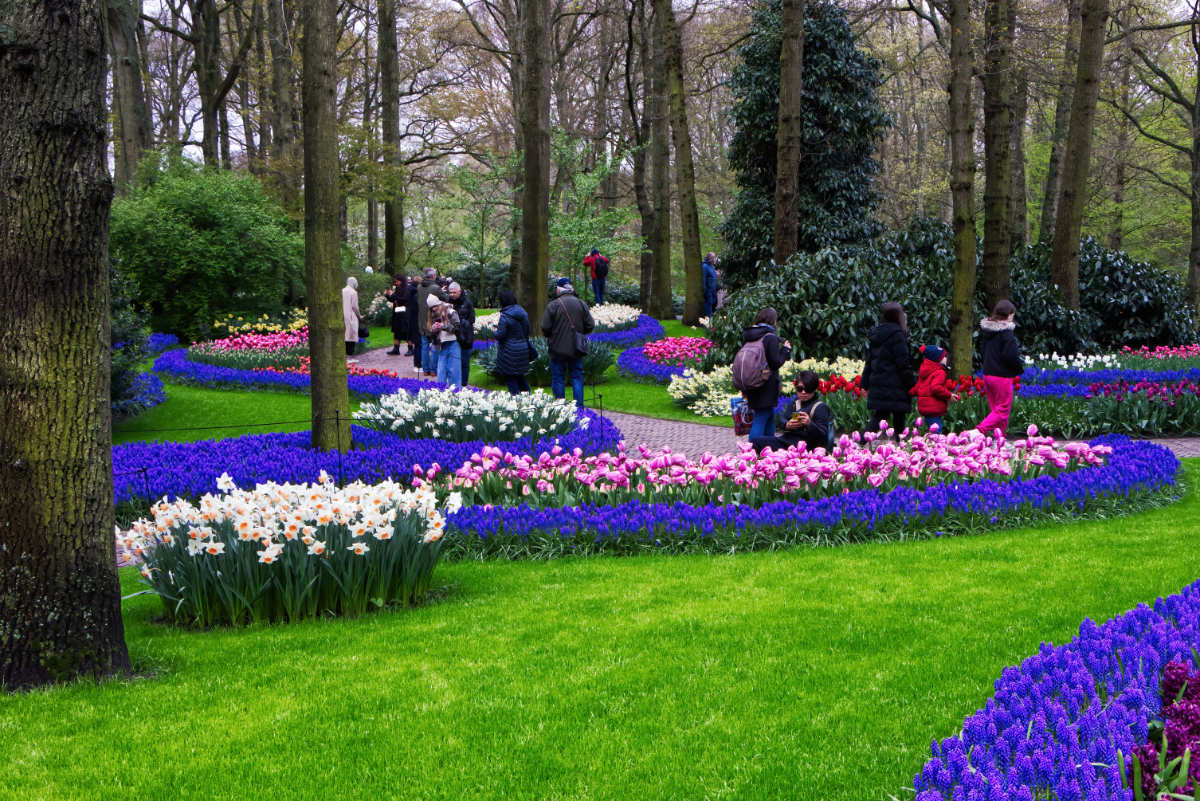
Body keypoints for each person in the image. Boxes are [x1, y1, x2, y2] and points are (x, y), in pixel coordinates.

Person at [861, 301, 916, 436]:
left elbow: (869, 362)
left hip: (879, 384)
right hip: (896, 385)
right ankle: (900, 445)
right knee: (898, 417)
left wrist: (864, 383)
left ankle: (862, 440)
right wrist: (912, 384)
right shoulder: (898, 335)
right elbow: (903, 363)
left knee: (880, 415)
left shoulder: (877, 335)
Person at [739, 307, 792, 441]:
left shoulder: (750, 335)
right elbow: (775, 362)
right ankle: (752, 449)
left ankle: (770, 445)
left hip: (751, 381)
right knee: (762, 416)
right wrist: (785, 350)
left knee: (768, 414)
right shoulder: (770, 338)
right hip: (766, 383)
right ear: (773, 321)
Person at [541, 278, 595, 407]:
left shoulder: (553, 305)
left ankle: (560, 408)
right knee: (577, 377)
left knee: (558, 378)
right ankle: (579, 407)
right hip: (576, 348)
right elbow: (590, 324)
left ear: (559, 289)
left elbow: (545, 327)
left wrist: (551, 336)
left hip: (557, 348)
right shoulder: (581, 304)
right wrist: (581, 333)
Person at [750, 371, 833, 454]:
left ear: (815, 389)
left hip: (805, 445)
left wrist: (809, 424)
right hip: (787, 440)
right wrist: (787, 425)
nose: (803, 392)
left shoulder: (820, 407)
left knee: (758, 443)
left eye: (808, 389)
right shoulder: (795, 402)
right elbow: (782, 419)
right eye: (800, 389)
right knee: (756, 441)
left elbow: (823, 436)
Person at [976, 299, 1023, 438]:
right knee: (1002, 410)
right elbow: (1011, 354)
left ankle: (1000, 439)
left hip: (988, 373)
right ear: (1008, 315)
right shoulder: (1006, 332)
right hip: (1001, 375)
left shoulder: (988, 331)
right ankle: (978, 432)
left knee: (996, 410)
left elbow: (982, 350)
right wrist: (1018, 368)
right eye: (1012, 315)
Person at [495, 289, 534, 394]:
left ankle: (516, 401)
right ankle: (529, 397)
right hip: (522, 348)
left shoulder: (505, 316)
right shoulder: (522, 312)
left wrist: (494, 331)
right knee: (520, 375)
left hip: (509, 351)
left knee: (510, 377)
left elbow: (500, 335)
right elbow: (527, 330)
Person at [913, 344, 958, 433]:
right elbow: (936, 388)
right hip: (933, 408)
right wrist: (948, 395)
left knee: (931, 428)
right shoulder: (939, 372)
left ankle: (930, 444)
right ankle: (935, 445)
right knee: (936, 430)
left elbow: (919, 387)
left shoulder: (925, 370)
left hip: (926, 406)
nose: (946, 358)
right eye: (944, 356)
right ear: (938, 359)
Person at [416, 268, 447, 378]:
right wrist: (442, 292)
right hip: (433, 319)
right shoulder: (435, 288)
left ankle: (426, 370)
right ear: (433, 276)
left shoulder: (419, 287)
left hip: (421, 320)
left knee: (424, 346)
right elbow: (446, 298)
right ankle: (433, 370)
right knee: (435, 345)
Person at [428, 295, 462, 388]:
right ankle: (441, 393)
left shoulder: (450, 311)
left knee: (454, 371)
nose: (434, 309)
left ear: (439, 304)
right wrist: (433, 330)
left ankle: (456, 393)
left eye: (435, 306)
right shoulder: (432, 314)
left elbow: (457, 328)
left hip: (453, 343)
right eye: (431, 308)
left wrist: (444, 326)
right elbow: (431, 333)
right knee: (441, 372)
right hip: (441, 345)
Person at [448, 281, 475, 385]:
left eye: (454, 292)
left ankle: (464, 383)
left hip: (465, 336)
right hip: (452, 336)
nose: (452, 295)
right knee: (453, 362)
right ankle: (453, 383)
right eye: (450, 292)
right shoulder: (448, 303)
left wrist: (462, 323)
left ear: (459, 291)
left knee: (464, 362)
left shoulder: (467, 303)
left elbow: (472, 319)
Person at [384, 274, 410, 356]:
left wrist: (394, 296)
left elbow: (404, 299)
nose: (396, 283)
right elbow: (393, 299)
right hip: (397, 313)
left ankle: (410, 348)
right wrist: (388, 295)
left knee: (406, 332)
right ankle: (396, 348)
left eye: (397, 281)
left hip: (404, 313)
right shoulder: (398, 289)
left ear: (401, 281)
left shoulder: (407, 289)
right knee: (396, 331)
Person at [342, 276, 362, 360]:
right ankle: (349, 356)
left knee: (345, 335)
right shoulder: (353, 292)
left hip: (342, 315)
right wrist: (359, 315)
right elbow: (354, 306)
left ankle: (345, 356)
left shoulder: (342, 291)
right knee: (351, 334)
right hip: (351, 315)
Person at [701, 253, 719, 319]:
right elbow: (704, 279)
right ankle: (707, 325)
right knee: (708, 309)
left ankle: (711, 323)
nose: (714, 259)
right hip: (708, 291)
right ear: (709, 258)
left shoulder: (712, 267)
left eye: (715, 257)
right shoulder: (705, 266)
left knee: (714, 306)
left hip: (714, 290)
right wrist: (705, 290)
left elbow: (713, 278)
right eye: (713, 257)